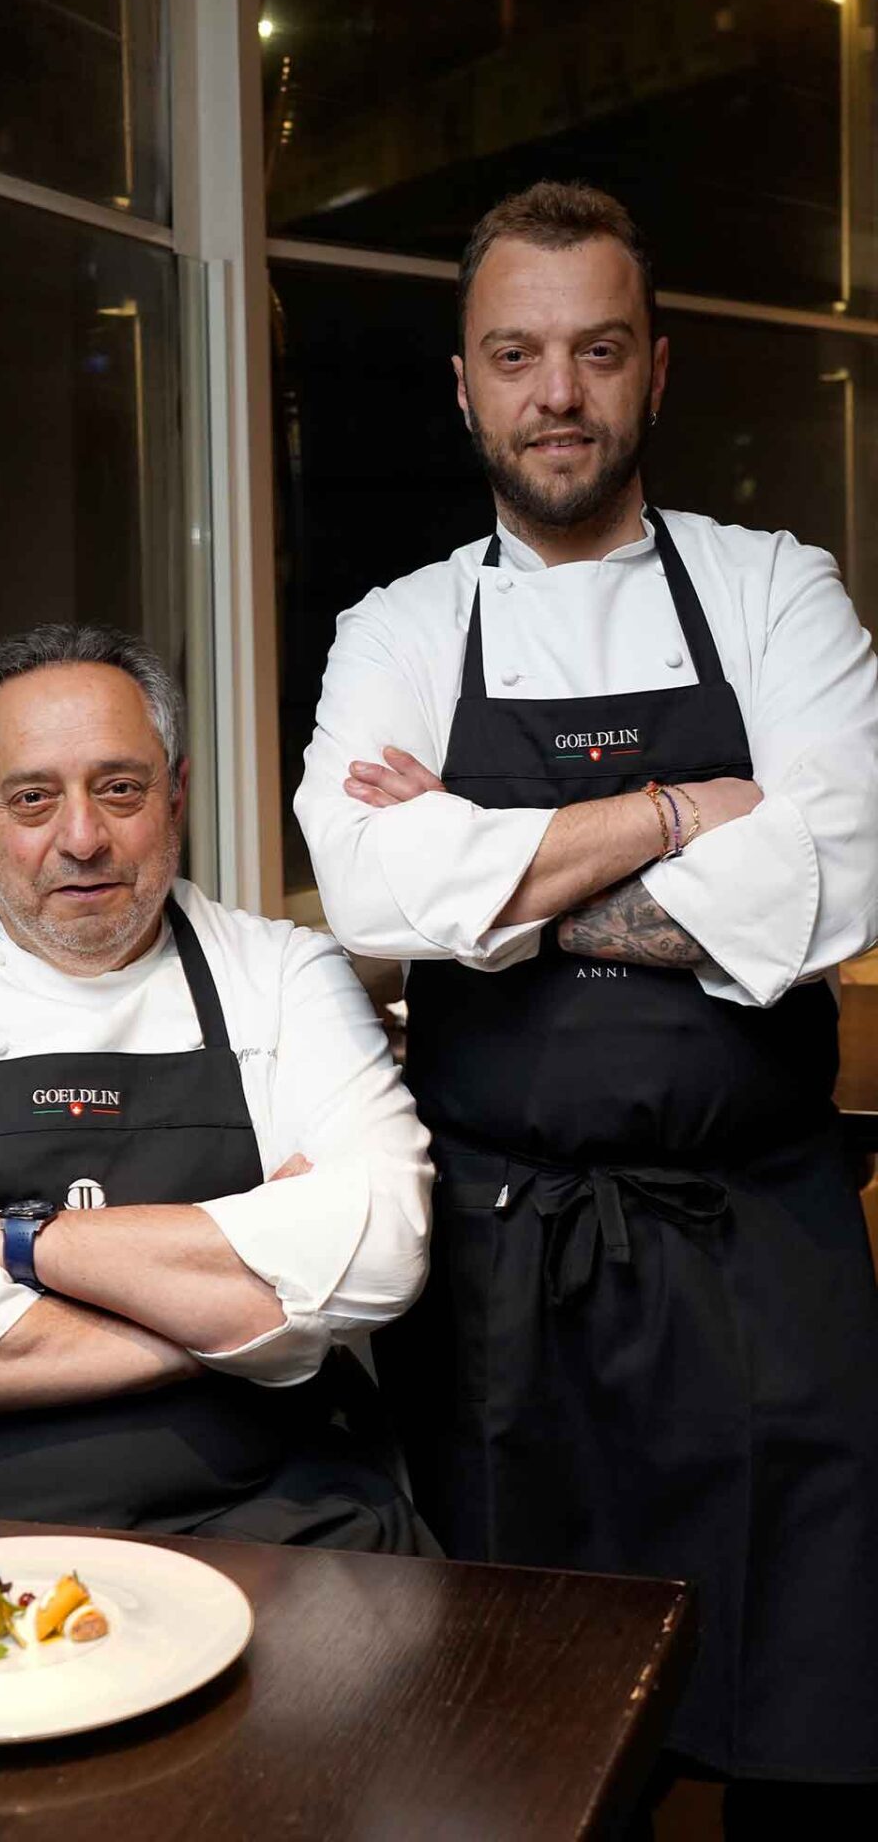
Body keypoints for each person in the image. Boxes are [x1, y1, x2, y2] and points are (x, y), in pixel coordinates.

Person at [295, 182, 878, 1816]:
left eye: (598, 351)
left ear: (656, 371)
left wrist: (500, 880)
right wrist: (691, 808)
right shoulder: (398, 626)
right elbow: (379, 894)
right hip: (495, 1278)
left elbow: (831, 891)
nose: (560, 393)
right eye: (519, 354)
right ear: (466, 384)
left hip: (763, 1246)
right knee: (502, 1736)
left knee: (809, 1726)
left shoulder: (779, 595)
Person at [0, 624, 433, 1552]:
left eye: (120, 788)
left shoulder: (284, 974)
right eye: (32, 799)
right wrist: (243, 1326)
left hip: (269, 1527)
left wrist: (9, 1242)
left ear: (175, 796)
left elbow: (380, 1253)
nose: (83, 838)